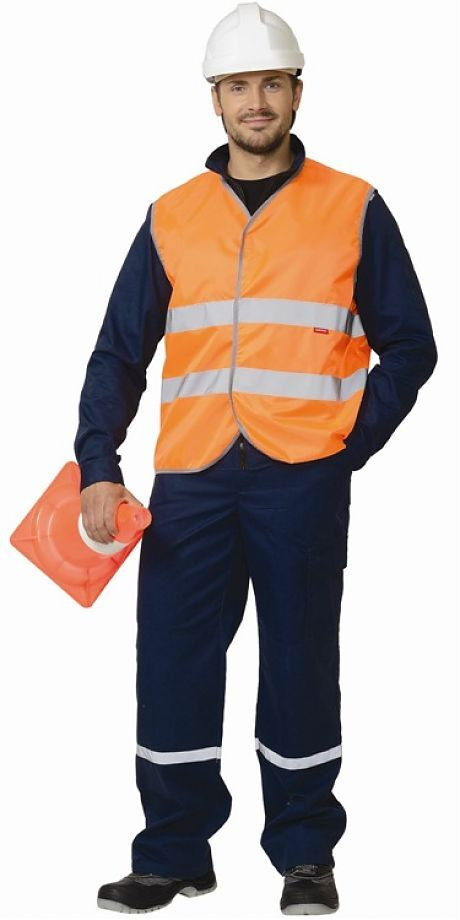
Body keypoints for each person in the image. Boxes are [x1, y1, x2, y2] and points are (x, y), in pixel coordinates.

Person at [74, 3, 438, 914]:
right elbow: (118, 354)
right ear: (215, 101)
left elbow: (412, 344)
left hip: (300, 479)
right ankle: (172, 853)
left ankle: (305, 854)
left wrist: (346, 444)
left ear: (297, 93)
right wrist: (98, 465)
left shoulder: (353, 205)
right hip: (191, 479)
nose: (256, 102)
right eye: (238, 86)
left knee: (300, 662)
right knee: (172, 662)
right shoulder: (171, 215)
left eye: (272, 83)